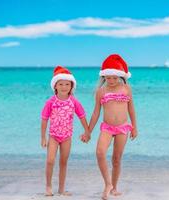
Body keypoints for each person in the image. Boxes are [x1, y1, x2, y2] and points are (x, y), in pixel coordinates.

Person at [81, 54, 138, 199]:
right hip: (107, 127)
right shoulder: (101, 91)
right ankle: (108, 184)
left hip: (123, 128)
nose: (111, 80)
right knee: (100, 153)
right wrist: (88, 132)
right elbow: (95, 113)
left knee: (116, 159)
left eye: (114, 77)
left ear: (120, 76)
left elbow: (131, 109)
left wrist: (134, 127)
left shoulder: (126, 89)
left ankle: (114, 187)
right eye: (108, 77)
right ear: (104, 76)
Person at [41, 66, 90, 196]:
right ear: (55, 86)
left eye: (67, 84)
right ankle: (48, 186)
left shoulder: (73, 101)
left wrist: (87, 131)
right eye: (61, 84)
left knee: (63, 162)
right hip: (53, 136)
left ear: (71, 86)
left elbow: (82, 116)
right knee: (50, 160)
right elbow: (44, 119)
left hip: (67, 137)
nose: (64, 86)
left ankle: (61, 189)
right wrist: (43, 137)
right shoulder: (51, 102)